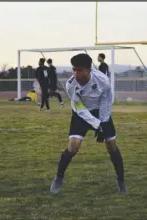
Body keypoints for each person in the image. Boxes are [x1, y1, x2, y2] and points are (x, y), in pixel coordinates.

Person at [50, 53, 126, 194]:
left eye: (79, 70)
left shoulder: (103, 81)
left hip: (101, 112)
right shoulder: (70, 84)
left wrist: (103, 123)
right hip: (81, 114)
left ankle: (121, 179)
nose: (75, 73)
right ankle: (58, 177)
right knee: (73, 147)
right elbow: (79, 107)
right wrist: (97, 125)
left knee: (111, 145)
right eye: (74, 69)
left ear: (88, 69)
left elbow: (106, 102)